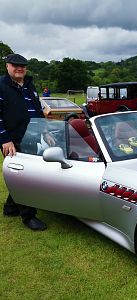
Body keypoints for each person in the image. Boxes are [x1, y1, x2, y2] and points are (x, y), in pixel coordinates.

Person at [0, 53, 53, 230]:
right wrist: (5, 139)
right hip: (12, 140)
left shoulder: (30, 85)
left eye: (22, 65)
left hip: (33, 136)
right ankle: (29, 216)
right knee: (24, 176)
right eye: (15, 65)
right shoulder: (1, 85)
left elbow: (38, 111)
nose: (19, 68)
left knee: (23, 175)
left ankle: (10, 207)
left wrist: (45, 132)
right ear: (7, 66)